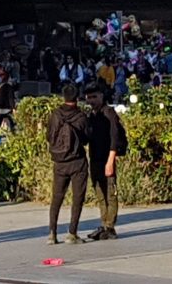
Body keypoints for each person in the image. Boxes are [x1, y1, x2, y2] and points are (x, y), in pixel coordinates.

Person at [46, 84, 90, 245]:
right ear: (77, 98)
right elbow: (86, 139)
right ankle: (72, 233)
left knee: (57, 197)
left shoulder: (55, 115)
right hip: (77, 161)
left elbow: (49, 136)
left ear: (62, 97)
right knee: (77, 197)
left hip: (59, 162)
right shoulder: (81, 117)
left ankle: (52, 233)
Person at [85, 83, 122, 240]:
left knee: (110, 193)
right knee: (100, 193)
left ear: (101, 96)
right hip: (94, 158)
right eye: (89, 97)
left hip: (107, 158)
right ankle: (104, 223)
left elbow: (115, 138)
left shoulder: (109, 113)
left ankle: (110, 226)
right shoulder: (92, 115)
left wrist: (110, 160)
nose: (92, 100)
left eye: (95, 96)